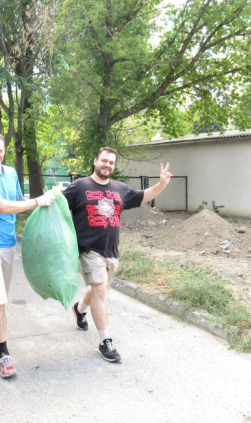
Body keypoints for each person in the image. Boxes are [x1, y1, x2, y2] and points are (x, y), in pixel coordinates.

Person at [63, 147, 172, 363]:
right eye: (104, 161)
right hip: (88, 249)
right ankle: (105, 341)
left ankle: (80, 309)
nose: (107, 165)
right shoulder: (80, 186)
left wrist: (162, 184)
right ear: (95, 161)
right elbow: (58, 206)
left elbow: (144, 196)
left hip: (111, 250)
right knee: (100, 289)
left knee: (99, 288)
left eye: (111, 163)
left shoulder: (120, 189)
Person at [0, 132, 56, 378]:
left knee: (1, 294)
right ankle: (4, 356)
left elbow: (18, 201)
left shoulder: (10, 173)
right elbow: (4, 207)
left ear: (4, 150)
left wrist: (51, 201)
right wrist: (39, 201)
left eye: (0, 151)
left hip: (8, 242)